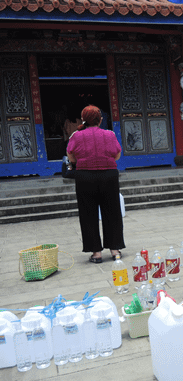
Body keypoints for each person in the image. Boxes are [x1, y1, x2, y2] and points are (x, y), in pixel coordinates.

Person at [67, 105, 125, 263]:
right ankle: (115, 250)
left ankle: (96, 253)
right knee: (112, 212)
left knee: (88, 214)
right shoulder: (109, 134)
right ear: (100, 120)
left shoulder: (76, 136)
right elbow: (117, 155)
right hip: (108, 176)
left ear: (83, 120)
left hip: (85, 176)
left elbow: (71, 158)